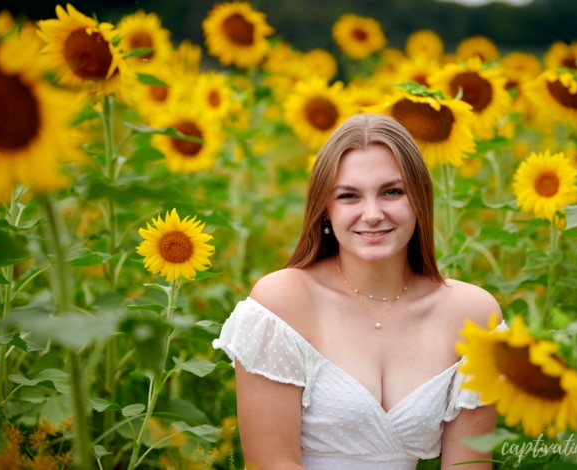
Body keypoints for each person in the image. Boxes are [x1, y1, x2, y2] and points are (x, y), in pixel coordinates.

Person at [213, 113, 502, 469]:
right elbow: (272, 464)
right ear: (325, 210)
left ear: (420, 200)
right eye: (349, 196)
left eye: (392, 191)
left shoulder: (471, 314)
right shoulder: (283, 302)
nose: (372, 214)